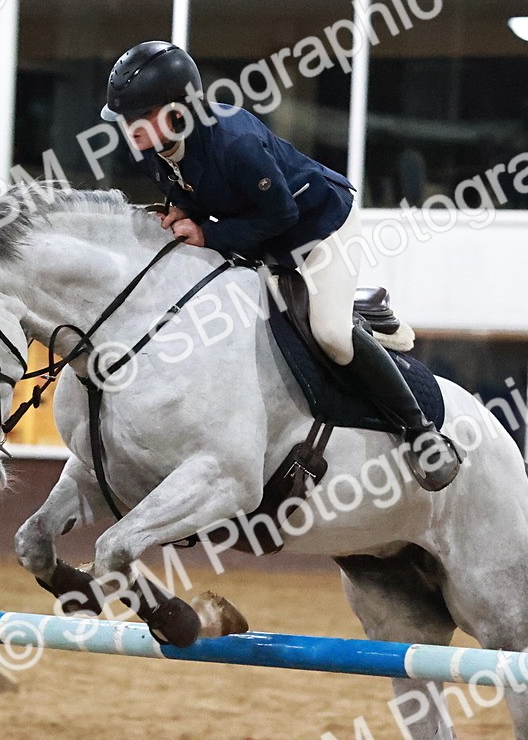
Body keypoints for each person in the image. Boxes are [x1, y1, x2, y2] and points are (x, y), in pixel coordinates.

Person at [100, 41, 460, 491]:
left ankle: (421, 433)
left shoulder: (236, 143)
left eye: (136, 117)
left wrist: (209, 235)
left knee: (330, 334)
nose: (126, 128)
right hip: (266, 237)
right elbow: (195, 190)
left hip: (321, 228)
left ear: (176, 114)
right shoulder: (155, 148)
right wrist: (180, 211)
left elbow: (282, 215)